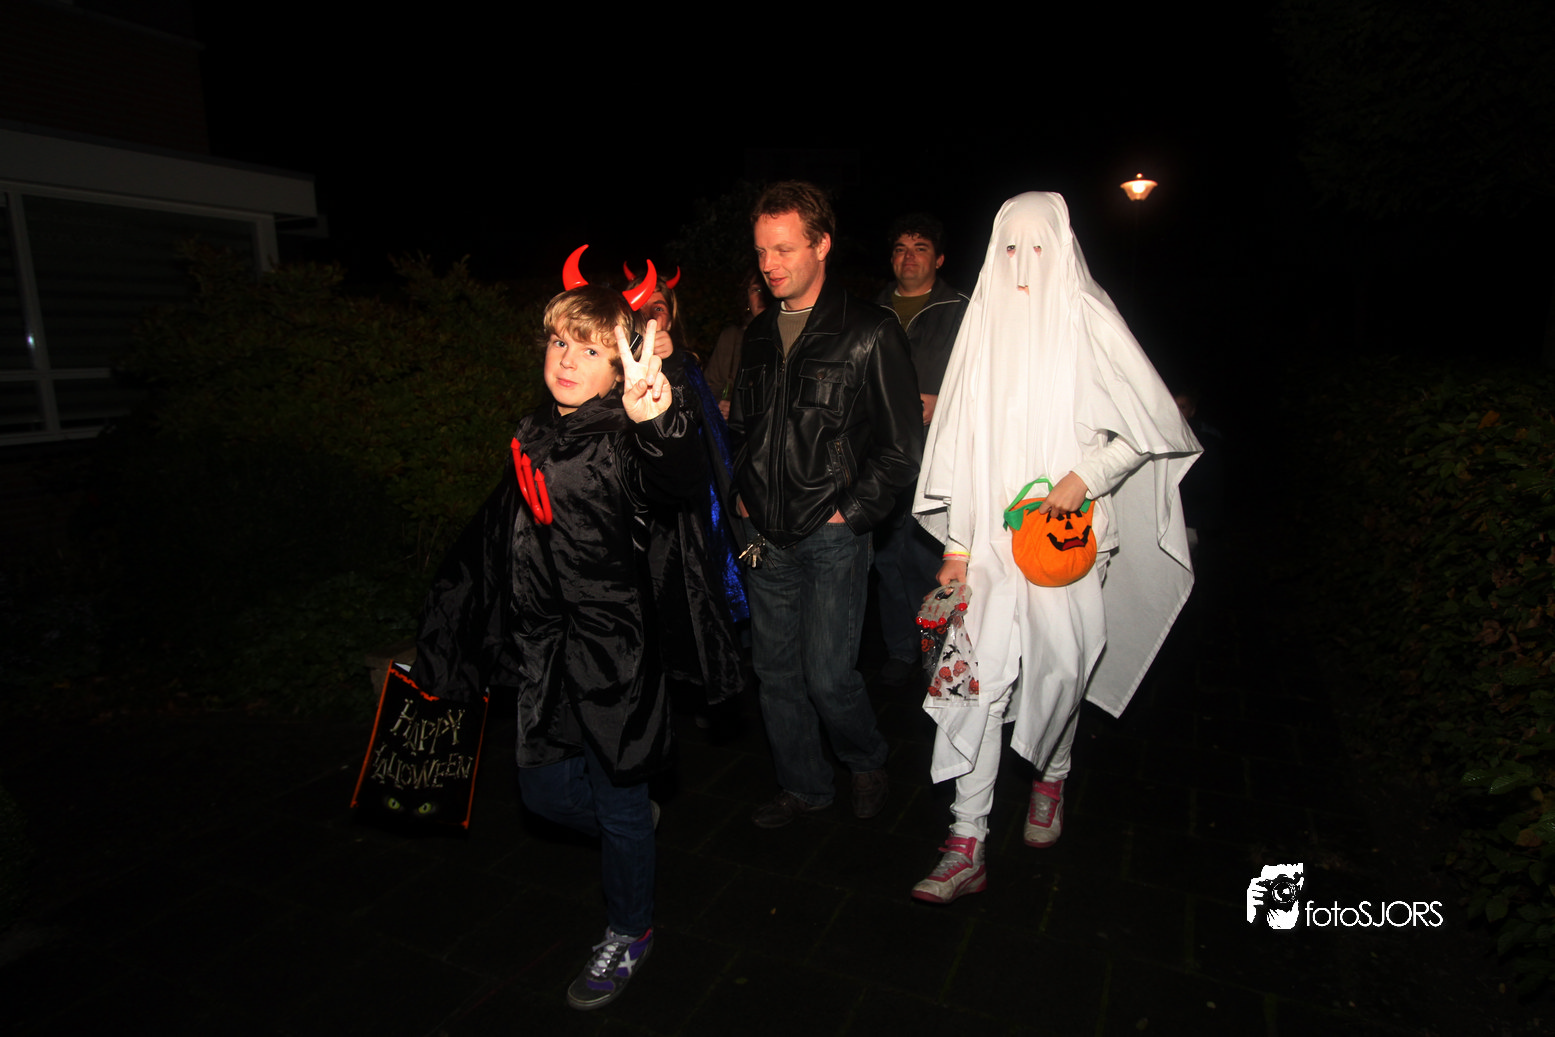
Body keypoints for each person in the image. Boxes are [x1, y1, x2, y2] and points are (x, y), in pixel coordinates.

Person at [408, 266, 723, 1010]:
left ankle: (630, 929)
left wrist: (657, 420)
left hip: (618, 659)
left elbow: (678, 479)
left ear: (619, 367)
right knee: (544, 793)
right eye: (558, 342)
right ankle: (630, 831)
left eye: (589, 349)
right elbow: (494, 538)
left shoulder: (624, 438)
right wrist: (452, 623)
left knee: (618, 804)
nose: (567, 359)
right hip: (545, 656)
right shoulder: (535, 433)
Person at [909, 192, 1200, 902]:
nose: (1021, 268)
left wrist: (1083, 477)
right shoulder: (982, 327)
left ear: (1062, 251)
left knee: (1058, 670)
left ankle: (1052, 774)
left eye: (1036, 250)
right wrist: (957, 544)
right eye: (1008, 249)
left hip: (1067, 546)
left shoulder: (1088, 319)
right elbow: (958, 442)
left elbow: (1147, 425)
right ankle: (966, 838)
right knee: (977, 684)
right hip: (987, 547)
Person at [727, 180, 923, 828]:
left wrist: (852, 512)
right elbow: (742, 429)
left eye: (783, 248)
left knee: (829, 675)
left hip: (834, 534)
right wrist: (741, 496)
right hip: (764, 535)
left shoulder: (870, 330)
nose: (769, 263)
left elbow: (902, 447)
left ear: (821, 245)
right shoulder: (758, 333)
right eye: (761, 250)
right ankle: (804, 785)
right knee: (775, 672)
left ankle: (866, 758)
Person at [872, 214, 969, 684]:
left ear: (940, 258)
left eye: (921, 248)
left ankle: (942, 657)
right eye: (900, 248)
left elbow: (984, 379)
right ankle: (901, 650)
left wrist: (941, 402)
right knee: (888, 558)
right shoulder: (869, 310)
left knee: (933, 558)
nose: (908, 257)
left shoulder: (963, 310)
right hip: (881, 455)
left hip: (939, 455)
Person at [704, 270, 770, 419]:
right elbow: (708, 387)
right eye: (755, 290)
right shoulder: (731, 338)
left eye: (765, 289)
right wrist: (719, 405)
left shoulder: (789, 335)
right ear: (747, 298)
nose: (761, 297)